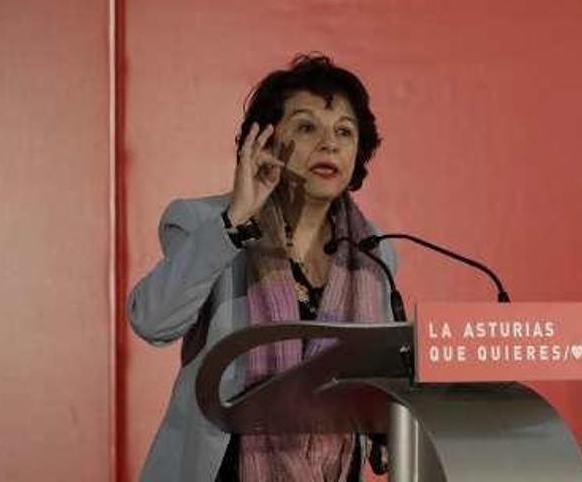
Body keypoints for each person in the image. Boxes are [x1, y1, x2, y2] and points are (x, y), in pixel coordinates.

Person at [127, 54, 396, 482]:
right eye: (307, 127)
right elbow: (152, 320)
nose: (329, 144)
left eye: (344, 131)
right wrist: (233, 222)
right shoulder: (205, 223)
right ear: (266, 142)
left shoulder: (372, 252)